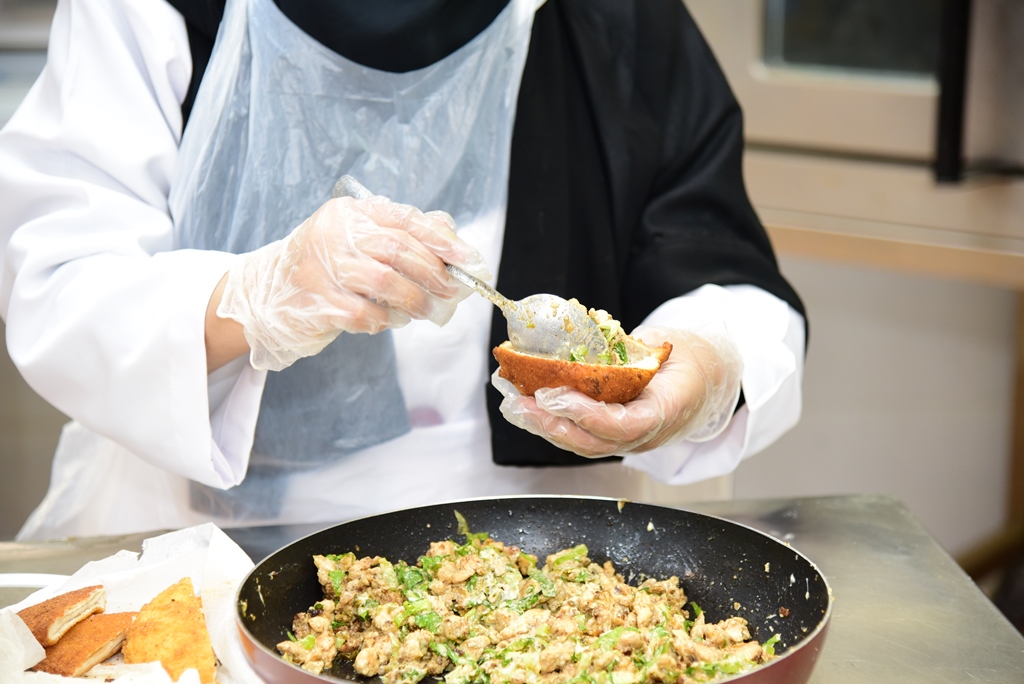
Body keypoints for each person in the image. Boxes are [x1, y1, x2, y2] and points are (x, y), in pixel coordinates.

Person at [0, 0, 807, 540]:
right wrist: (251, 298)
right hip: (199, 538)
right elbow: (61, 278)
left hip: (536, 546)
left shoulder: (610, 17)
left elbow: (717, 266)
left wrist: (700, 370)